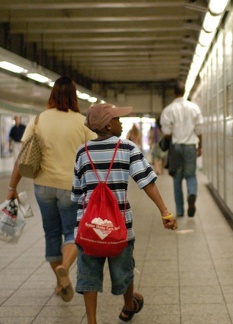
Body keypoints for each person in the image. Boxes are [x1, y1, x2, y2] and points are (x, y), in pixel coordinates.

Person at [71, 103, 177, 324]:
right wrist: (164, 212)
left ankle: (91, 321)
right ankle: (128, 306)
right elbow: (146, 182)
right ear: (109, 125)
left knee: (88, 275)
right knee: (124, 269)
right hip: (120, 227)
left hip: (89, 228)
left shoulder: (83, 151)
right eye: (118, 119)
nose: (121, 122)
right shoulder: (127, 148)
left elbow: (76, 194)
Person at [6, 76, 97, 303]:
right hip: (71, 187)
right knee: (73, 232)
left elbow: (23, 156)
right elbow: (94, 155)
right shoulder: (82, 122)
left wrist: (12, 187)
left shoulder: (39, 120)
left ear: (52, 95)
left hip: (43, 186)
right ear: (74, 96)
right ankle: (65, 267)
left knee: (52, 234)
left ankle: (59, 282)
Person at [160, 81, 203, 217]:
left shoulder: (168, 110)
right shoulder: (194, 108)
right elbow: (199, 129)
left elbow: (167, 132)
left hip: (176, 147)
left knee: (177, 179)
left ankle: (179, 210)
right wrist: (200, 146)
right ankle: (192, 193)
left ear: (174, 92)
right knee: (191, 175)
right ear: (185, 91)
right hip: (190, 146)